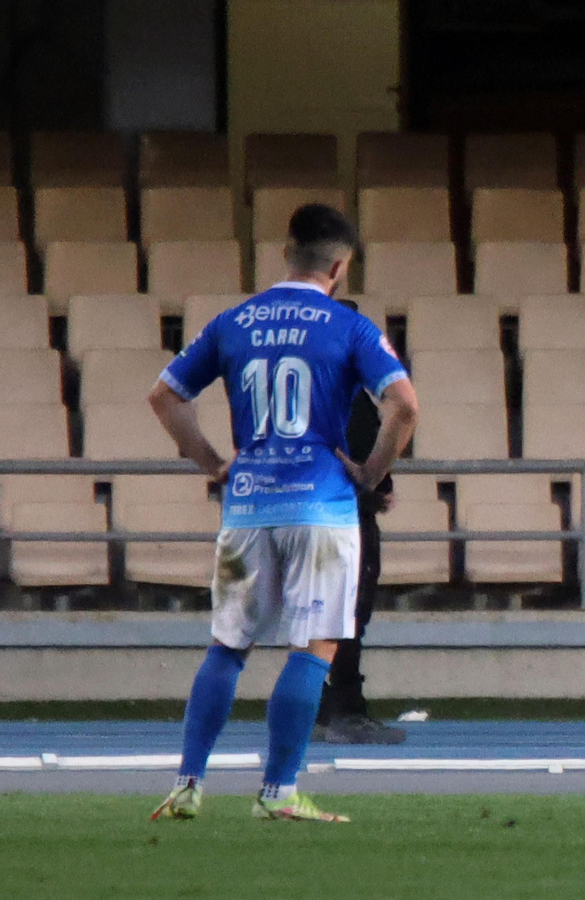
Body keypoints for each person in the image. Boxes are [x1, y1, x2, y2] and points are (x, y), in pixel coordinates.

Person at [148, 203, 418, 823]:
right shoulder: (348, 326)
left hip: (248, 504)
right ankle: (278, 792)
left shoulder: (233, 322)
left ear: (285, 255)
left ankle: (188, 784)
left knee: (227, 647)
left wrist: (213, 463)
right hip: (320, 506)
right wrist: (369, 476)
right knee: (314, 647)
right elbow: (403, 407)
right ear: (341, 266)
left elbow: (163, 396)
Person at [312, 348, 406, 745]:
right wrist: (374, 487)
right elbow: (370, 441)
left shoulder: (300, 391)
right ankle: (344, 710)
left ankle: (313, 709)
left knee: (317, 614)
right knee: (349, 614)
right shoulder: (349, 397)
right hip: (346, 516)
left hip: (304, 512)